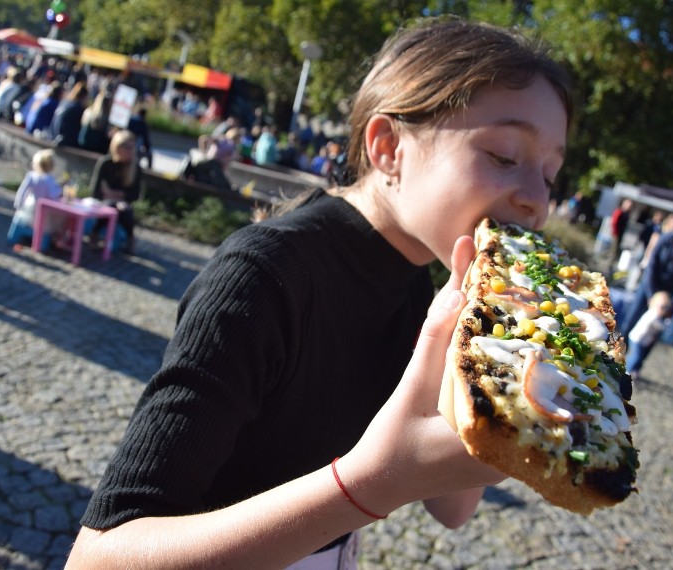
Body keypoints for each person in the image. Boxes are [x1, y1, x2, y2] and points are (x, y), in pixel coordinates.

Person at [65, 17, 572, 568]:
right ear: (388, 147)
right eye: (504, 156)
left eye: (549, 176)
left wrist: (499, 372)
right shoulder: (263, 275)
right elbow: (98, 557)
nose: (535, 202)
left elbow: (452, 509)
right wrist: (368, 485)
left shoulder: (424, 291)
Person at [618, 213, 673, 338]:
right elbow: (652, 266)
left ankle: (636, 355)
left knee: (651, 330)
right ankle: (615, 347)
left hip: (668, 293)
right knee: (631, 319)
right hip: (650, 285)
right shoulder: (665, 240)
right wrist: (652, 294)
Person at [87, 129, 141, 253]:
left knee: (125, 210)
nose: (129, 151)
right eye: (126, 147)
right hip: (105, 201)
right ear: (117, 147)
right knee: (110, 206)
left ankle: (130, 239)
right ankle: (94, 234)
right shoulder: (106, 163)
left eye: (131, 147)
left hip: (123, 203)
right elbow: (95, 190)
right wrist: (113, 197)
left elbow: (135, 194)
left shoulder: (135, 168)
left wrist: (117, 195)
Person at [10, 149, 62, 237]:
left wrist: (18, 204)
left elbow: (22, 190)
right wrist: (60, 189)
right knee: (59, 218)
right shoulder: (49, 179)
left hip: (30, 209)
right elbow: (51, 195)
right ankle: (49, 238)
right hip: (43, 213)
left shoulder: (31, 175)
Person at [624, 290, 672, 380]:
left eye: (665, 308)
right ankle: (627, 371)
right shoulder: (653, 314)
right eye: (661, 306)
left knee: (638, 356)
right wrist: (667, 324)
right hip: (637, 339)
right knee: (636, 356)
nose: (662, 310)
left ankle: (632, 370)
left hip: (642, 341)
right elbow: (659, 326)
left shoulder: (656, 315)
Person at [50, 82, 90, 147]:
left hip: (53, 137)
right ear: (84, 97)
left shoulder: (64, 103)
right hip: (65, 144)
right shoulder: (77, 109)